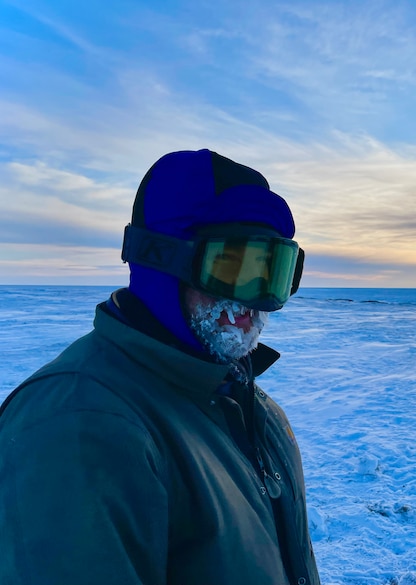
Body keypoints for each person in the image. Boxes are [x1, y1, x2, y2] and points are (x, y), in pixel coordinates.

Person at [0, 149, 320, 585]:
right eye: (233, 266)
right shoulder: (81, 425)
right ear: (160, 258)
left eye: (273, 273)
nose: (254, 299)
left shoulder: (243, 403)